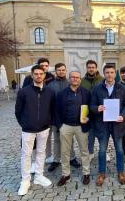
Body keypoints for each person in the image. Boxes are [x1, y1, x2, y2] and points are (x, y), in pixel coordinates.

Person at [15, 65, 55, 196]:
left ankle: (39, 175)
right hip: (28, 129)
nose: (39, 76)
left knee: (41, 152)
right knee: (26, 155)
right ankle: (25, 180)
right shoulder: (24, 92)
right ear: (32, 75)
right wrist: (25, 124)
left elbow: (52, 109)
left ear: (44, 75)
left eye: (41, 74)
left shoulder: (49, 92)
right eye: (36, 74)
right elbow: (18, 111)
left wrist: (48, 122)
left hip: (44, 128)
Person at [90, 64, 125, 186]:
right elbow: (91, 105)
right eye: (107, 72)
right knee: (102, 150)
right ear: (104, 73)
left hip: (117, 124)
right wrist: (97, 108)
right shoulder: (97, 88)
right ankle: (102, 173)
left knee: (119, 150)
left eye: (112, 72)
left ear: (115, 74)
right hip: (103, 124)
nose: (110, 75)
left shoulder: (121, 88)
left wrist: (122, 116)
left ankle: (120, 171)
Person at [56, 71, 92, 186]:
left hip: (81, 126)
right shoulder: (61, 94)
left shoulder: (86, 93)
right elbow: (55, 111)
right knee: (65, 152)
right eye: (73, 77)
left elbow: (91, 108)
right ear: (69, 79)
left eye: (77, 77)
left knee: (84, 151)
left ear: (80, 79)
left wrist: (88, 118)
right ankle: (65, 174)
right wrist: (60, 126)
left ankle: (86, 173)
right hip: (66, 126)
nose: (75, 79)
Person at [46, 63, 80, 172]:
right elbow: (49, 102)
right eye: (59, 70)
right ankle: (56, 160)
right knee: (56, 140)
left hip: (69, 118)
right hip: (56, 117)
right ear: (56, 71)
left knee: (69, 139)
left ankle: (72, 158)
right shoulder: (51, 85)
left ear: (66, 71)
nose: (61, 72)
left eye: (63, 70)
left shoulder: (69, 83)